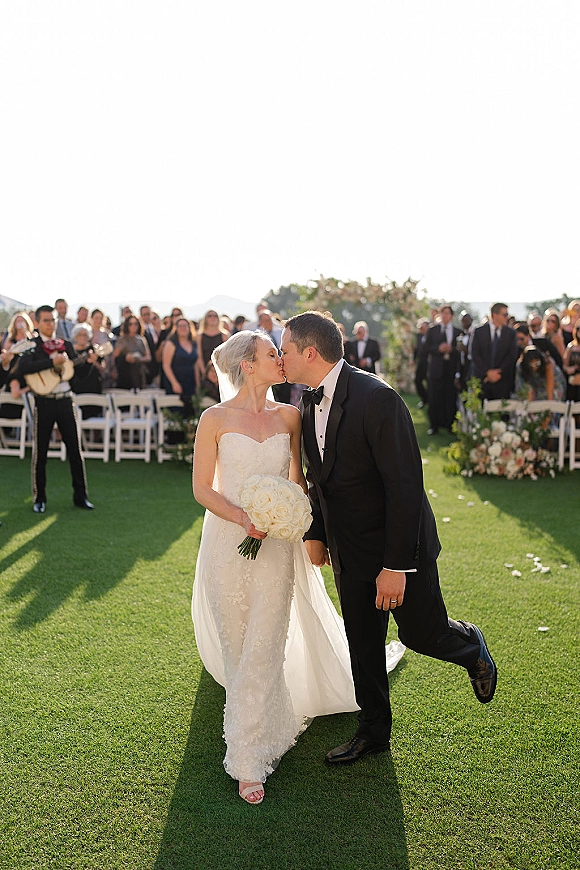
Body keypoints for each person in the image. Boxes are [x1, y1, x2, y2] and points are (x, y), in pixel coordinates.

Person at [280, 311, 496, 765]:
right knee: (362, 643)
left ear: (310, 353)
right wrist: (317, 534)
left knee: (423, 635)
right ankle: (373, 732)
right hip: (347, 547)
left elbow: (405, 487)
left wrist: (396, 565)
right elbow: (319, 478)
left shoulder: (378, 399)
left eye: (285, 349)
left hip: (400, 545)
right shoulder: (305, 401)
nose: (281, 357)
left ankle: (471, 645)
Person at [191, 330, 359, 805]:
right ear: (248, 364)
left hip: (277, 546)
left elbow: (297, 479)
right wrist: (245, 517)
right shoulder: (214, 419)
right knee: (238, 643)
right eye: (272, 354)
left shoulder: (290, 416)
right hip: (227, 543)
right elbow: (203, 489)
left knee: (264, 643)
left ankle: (246, 759)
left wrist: (294, 520)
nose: (280, 360)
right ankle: (268, 719)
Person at [17, 305, 95, 512]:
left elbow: (77, 377)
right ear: (37, 322)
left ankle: (81, 496)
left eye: (53, 320)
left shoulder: (65, 344)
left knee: (75, 451)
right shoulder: (31, 345)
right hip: (44, 402)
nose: (51, 324)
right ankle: (39, 498)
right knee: (40, 451)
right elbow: (23, 368)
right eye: (46, 321)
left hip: (65, 400)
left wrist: (89, 363)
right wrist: (50, 361)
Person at [423, 305, 461, 434]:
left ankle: (450, 424)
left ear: (452, 316)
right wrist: (438, 348)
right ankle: (434, 425)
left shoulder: (457, 332)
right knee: (434, 397)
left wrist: (452, 349)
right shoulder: (433, 330)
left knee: (450, 397)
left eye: (447, 313)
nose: (445, 316)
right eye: (443, 313)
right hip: (436, 369)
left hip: (450, 369)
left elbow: (461, 350)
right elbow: (426, 347)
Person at [471, 302, 518, 400]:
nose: (507, 317)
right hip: (483, 381)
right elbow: (475, 354)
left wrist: (497, 373)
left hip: (502, 382)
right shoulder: (479, 332)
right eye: (504, 314)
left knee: (502, 413)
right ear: (494, 315)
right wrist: (487, 372)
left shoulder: (511, 333)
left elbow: (511, 356)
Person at [162, 317, 198, 412]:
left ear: (190, 328)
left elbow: (196, 365)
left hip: (190, 382)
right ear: (176, 328)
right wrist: (174, 383)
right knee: (177, 411)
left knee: (190, 410)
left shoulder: (194, 343)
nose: (183, 328)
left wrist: (197, 384)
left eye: (185, 326)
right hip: (176, 381)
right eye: (180, 326)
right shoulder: (171, 343)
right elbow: (166, 365)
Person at [113, 315, 151, 390]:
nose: (133, 326)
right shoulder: (122, 340)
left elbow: (148, 357)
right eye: (130, 324)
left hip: (139, 374)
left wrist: (137, 359)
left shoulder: (141, 339)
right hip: (125, 374)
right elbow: (115, 357)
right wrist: (126, 357)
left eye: (135, 324)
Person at [563, 320, 580, 401]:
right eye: (578, 328)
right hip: (572, 382)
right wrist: (569, 369)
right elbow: (564, 365)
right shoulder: (571, 346)